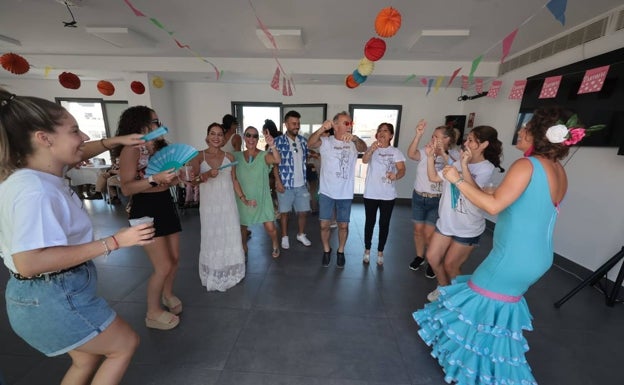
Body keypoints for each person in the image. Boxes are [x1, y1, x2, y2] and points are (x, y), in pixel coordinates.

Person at [0, 90, 154, 385]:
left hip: (45, 294)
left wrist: (116, 141)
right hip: (51, 296)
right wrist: (116, 241)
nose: (83, 136)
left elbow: (81, 152)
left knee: (85, 359)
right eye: (73, 130)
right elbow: (29, 261)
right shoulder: (35, 190)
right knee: (123, 345)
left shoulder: (31, 173)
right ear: (43, 138)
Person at [413, 106, 572, 385]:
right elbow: (524, 205)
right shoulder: (557, 169)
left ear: (537, 134)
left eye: (526, 127)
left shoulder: (527, 165)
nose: (520, 130)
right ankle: (482, 362)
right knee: (493, 311)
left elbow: (494, 206)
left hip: (513, 256)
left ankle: (479, 371)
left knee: (478, 306)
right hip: (537, 255)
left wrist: (458, 179)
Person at [116, 106, 183, 330]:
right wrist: (155, 178)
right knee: (162, 266)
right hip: (144, 209)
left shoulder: (159, 146)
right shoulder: (131, 150)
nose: (157, 125)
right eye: (153, 122)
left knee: (174, 259)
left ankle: (167, 294)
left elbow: (167, 179)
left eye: (157, 121)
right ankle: (152, 312)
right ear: (139, 125)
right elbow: (126, 188)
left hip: (165, 204)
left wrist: (173, 179)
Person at [424, 125, 503, 302]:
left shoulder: (487, 168)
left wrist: (465, 167)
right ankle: (444, 289)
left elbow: (477, 195)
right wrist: (430, 158)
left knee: (451, 265)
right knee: (432, 257)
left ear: (483, 145)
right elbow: (434, 178)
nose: (465, 143)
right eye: (467, 139)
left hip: (468, 226)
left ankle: (458, 300)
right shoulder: (458, 163)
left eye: (471, 140)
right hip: (446, 221)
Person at [189, 122, 246, 291]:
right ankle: (214, 271)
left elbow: (234, 180)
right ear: (207, 136)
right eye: (212, 133)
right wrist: (206, 174)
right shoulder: (198, 156)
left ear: (223, 138)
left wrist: (243, 198)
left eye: (219, 134)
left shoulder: (230, 157)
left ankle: (231, 270)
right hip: (209, 207)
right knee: (212, 236)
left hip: (228, 204)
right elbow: (193, 181)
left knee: (230, 235)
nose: (216, 137)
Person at [307, 111, 367, 268]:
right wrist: (321, 130)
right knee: (324, 225)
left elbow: (364, 147)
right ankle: (326, 250)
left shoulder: (353, 142)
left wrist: (354, 138)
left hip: (345, 193)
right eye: (346, 123)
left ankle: (341, 251)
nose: (349, 126)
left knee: (343, 226)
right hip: (327, 192)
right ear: (336, 125)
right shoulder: (326, 142)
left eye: (350, 123)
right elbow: (310, 144)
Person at [407, 121, 458, 277]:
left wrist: (443, 154)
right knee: (418, 231)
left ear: (446, 139)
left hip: (437, 200)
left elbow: (457, 169)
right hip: (419, 197)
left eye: (436, 136)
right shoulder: (425, 151)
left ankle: (432, 260)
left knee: (430, 234)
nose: (433, 138)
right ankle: (419, 256)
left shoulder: (453, 156)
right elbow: (411, 154)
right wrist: (418, 135)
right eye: (432, 135)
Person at [361, 122, 406, 266]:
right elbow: (364, 160)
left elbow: (402, 170)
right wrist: (371, 150)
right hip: (371, 193)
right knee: (369, 222)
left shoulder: (395, 152)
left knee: (384, 224)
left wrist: (396, 176)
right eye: (380, 131)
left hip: (388, 194)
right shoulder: (372, 148)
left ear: (391, 135)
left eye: (385, 131)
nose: (382, 133)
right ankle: (367, 250)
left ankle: (380, 251)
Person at [234, 126, 282, 258]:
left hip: (262, 198)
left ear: (257, 139)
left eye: (255, 136)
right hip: (242, 198)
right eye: (248, 135)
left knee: (270, 227)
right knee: (242, 227)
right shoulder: (235, 156)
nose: (251, 138)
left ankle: (275, 244)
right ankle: (243, 246)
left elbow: (277, 160)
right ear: (244, 137)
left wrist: (272, 145)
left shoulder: (264, 155)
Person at [273, 110, 313, 250]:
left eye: (298, 123)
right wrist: (278, 181)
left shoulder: (303, 141)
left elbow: (305, 158)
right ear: (286, 124)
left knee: (303, 212)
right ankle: (284, 237)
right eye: (293, 123)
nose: (297, 126)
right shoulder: (277, 142)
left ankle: (301, 234)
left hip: (301, 184)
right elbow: (274, 164)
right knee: (285, 213)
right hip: (285, 184)